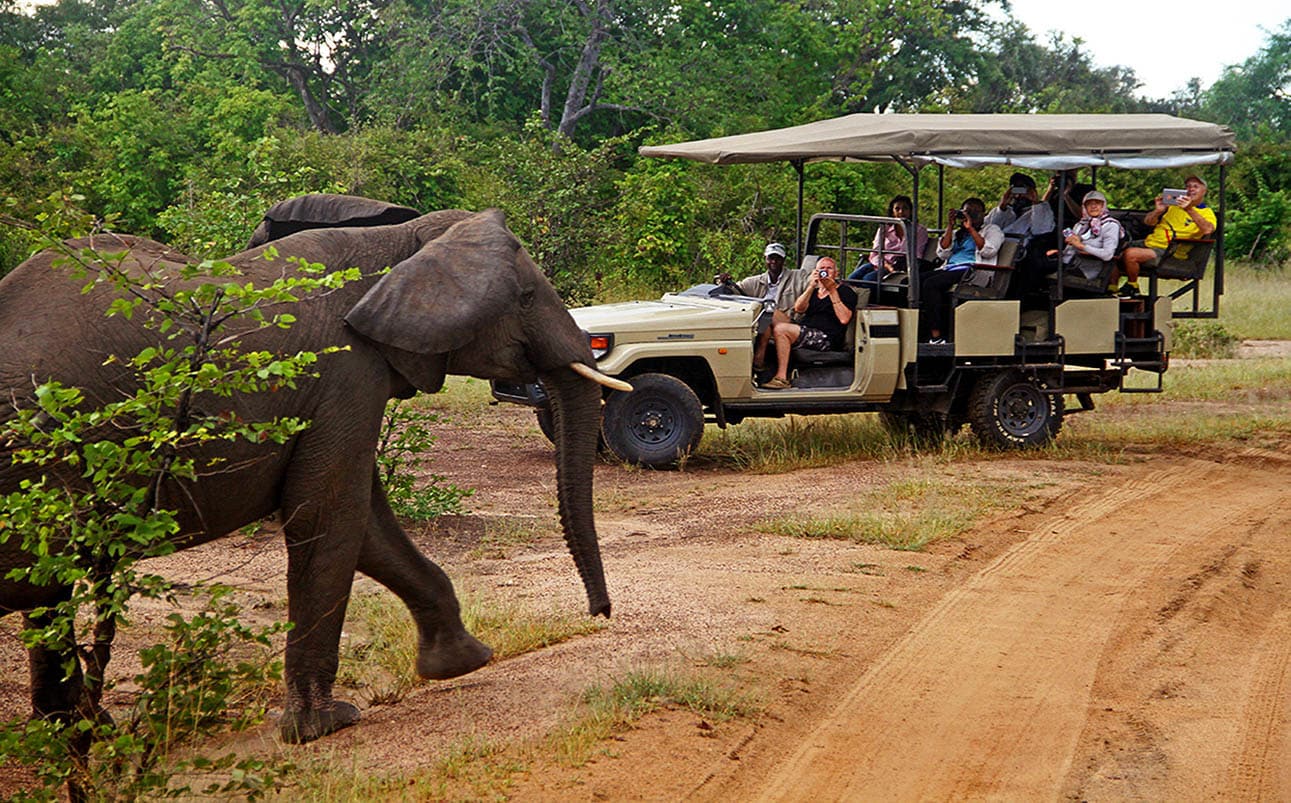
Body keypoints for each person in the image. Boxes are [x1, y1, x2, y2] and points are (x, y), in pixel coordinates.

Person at [761, 257, 858, 389]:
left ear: (836, 273)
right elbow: (799, 309)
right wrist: (811, 286)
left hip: (825, 337)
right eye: (821, 269)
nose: (825, 271)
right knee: (769, 312)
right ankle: (758, 363)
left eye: (829, 268)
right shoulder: (815, 290)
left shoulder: (846, 292)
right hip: (805, 328)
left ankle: (782, 378)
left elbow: (844, 319)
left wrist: (832, 291)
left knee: (781, 329)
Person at [1113, 175, 1215, 297]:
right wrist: (1158, 211)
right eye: (1188, 186)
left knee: (1131, 254)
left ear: (1204, 191)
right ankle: (1111, 288)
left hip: (1170, 252)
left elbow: (1208, 229)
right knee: (1111, 250)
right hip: (1149, 243)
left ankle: (1132, 287)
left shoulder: (1207, 213)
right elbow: (1148, 222)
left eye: (1195, 186)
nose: (1191, 189)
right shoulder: (1173, 207)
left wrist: (1189, 209)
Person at [921, 198, 1004, 343]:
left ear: (984, 214)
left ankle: (936, 335)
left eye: (975, 212)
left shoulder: (992, 230)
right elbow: (942, 253)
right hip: (950, 268)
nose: (971, 215)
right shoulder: (958, 233)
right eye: (967, 212)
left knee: (931, 284)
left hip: (972, 271)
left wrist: (971, 229)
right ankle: (920, 328)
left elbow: (988, 251)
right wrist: (950, 225)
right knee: (913, 281)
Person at [847, 195, 929, 283]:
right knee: (851, 279)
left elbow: (917, 255)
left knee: (868, 280)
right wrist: (886, 265)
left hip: (900, 267)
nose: (901, 212)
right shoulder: (884, 228)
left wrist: (895, 267)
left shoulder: (919, 231)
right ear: (892, 212)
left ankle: (872, 296)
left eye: (905, 208)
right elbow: (875, 252)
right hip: (880, 263)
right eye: (897, 209)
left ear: (910, 211)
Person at [1053, 190, 1122, 284]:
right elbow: (1071, 249)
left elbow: (1107, 255)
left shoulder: (1110, 225)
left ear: (1103, 206)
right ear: (1084, 207)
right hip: (1069, 264)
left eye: (1097, 203)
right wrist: (1061, 252)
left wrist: (1081, 246)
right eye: (1089, 204)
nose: (1093, 206)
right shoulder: (1080, 225)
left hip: (1088, 269)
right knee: (1039, 262)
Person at [984, 173, 1054, 245]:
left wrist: (1035, 202)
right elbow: (990, 227)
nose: (1019, 195)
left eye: (1022, 189)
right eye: (1016, 189)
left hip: (1020, 250)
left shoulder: (1043, 209)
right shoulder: (1006, 210)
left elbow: (1041, 230)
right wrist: (1002, 206)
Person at [1044, 169, 1095, 234]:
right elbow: (1041, 209)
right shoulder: (1054, 193)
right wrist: (1050, 190)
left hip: (1077, 228)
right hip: (1054, 229)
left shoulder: (1086, 190)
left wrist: (1066, 195)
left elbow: (1083, 215)